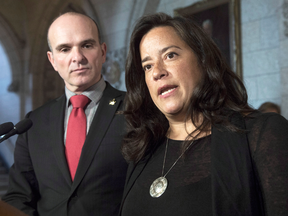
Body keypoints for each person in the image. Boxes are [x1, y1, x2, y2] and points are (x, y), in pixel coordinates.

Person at [120, 13, 288, 216]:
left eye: (170, 55)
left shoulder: (262, 134)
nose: (157, 72)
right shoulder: (143, 148)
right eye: (147, 66)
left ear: (202, 59)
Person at [2, 12, 128, 216]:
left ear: (103, 52)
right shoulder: (33, 123)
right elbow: (19, 196)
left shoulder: (135, 109)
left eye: (87, 45)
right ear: (52, 60)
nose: (77, 57)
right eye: (65, 49)